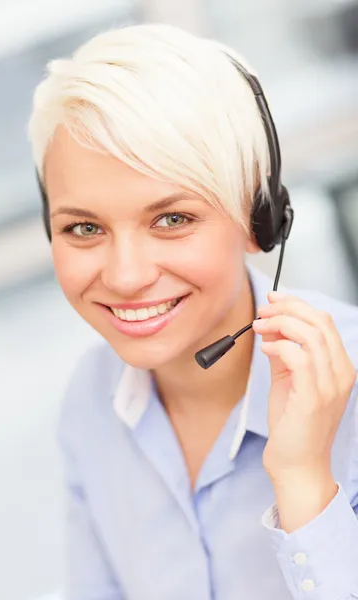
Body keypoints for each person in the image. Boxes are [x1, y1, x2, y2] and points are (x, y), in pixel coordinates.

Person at [28, 23, 358, 600]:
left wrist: (305, 483)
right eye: (84, 228)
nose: (126, 275)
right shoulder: (91, 402)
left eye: (172, 219)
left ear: (259, 220)